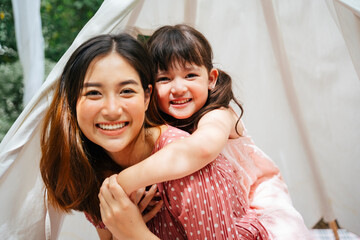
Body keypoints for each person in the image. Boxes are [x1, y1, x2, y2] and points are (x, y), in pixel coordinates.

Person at [39, 32, 270, 239]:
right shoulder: (92, 164)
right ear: (72, 102)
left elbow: (202, 148)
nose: (111, 110)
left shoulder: (188, 167)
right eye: (93, 93)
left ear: (146, 97)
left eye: (126, 91)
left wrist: (134, 234)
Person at [104, 24, 311, 239]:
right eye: (164, 79)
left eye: (190, 75)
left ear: (211, 79)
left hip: (256, 207)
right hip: (214, 215)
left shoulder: (219, 115)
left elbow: (200, 150)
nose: (178, 88)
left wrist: (125, 181)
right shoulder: (158, 127)